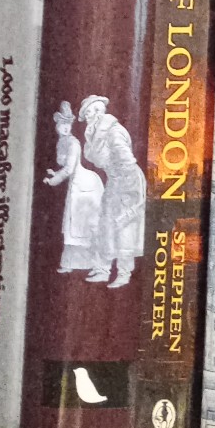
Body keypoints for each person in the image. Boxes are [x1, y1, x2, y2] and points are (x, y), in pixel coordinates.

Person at [77, 94, 146, 287]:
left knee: (124, 225)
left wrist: (128, 191)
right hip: (115, 180)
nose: (87, 117)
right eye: (86, 114)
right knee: (106, 223)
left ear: (98, 112)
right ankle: (102, 269)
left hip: (127, 180)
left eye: (89, 113)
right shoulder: (95, 134)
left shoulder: (113, 132)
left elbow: (127, 161)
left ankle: (124, 273)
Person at [44, 101, 102, 275]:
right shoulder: (62, 142)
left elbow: (69, 169)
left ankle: (97, 264)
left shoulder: (73, 143)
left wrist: (53, 180)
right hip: (75, 184)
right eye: (62, 124)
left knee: (81, 226)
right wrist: (55, 173)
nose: (65, 127)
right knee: (72, 225)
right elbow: (65, 168)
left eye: (68, 124)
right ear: (57, 126)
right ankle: (70, 263)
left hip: (84, 185)